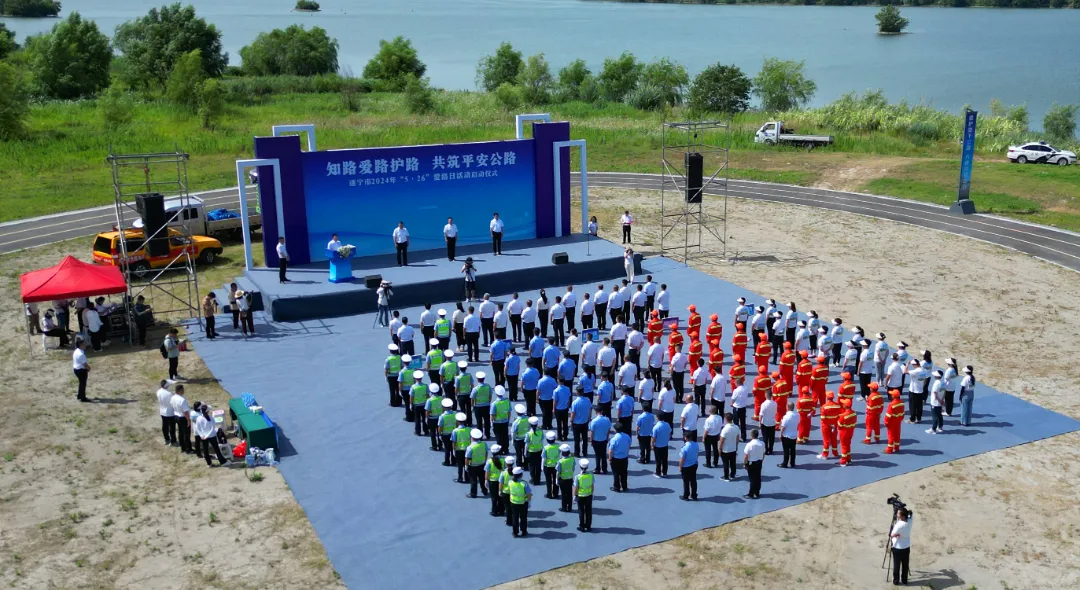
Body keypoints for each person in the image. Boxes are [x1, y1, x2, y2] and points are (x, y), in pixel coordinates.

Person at [193, 402, 229, 468]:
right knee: (216, 449)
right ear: (207, 411)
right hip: (211, 436)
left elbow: (197, 428)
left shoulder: (199, 418)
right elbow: (212, 428)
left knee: (205, 450)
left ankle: (209, 464)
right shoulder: (211, 418)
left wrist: (202, 435)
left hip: (204, 437)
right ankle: (222, 462)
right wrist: (206, 435)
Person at [890, 508, 912, 586]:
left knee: (897, 565)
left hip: (897, 548)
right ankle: (904, 580)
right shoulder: (910, 521)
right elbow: (910, 515)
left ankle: (896, 581)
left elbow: (892, 535)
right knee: (905, 565)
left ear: (903, 516)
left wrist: (896, 535)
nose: (897, 515)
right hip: (906, 547)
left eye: (898, 514)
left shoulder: (899, 525)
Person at [507, 467, 532, 537]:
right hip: (523, 503)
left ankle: (515, 533)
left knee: (515, 517)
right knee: (523, 518)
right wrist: (529, 502)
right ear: (521, 475)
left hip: (513, 502)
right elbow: (529, 494)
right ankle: (524, 531)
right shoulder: (524, 483)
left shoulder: (510, 482)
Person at [466, 429, 489, 498]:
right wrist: (484, 461)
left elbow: (467, 458)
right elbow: (486, 453)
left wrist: (466, 466)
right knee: (482, 479)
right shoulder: (484, 444)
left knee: (473, 480)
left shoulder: (470, 447)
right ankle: (485, 491)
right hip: (482, 464)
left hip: (473, 466)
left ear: (472, 437)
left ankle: (473, 494)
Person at [170, 385, 193, 454]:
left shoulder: (173, 397)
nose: (183, 391)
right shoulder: (182, 400)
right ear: (180, 390)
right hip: (183, 418)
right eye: (183, 390)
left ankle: (182, 447)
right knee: (186, 434)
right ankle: (188, 449)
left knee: (180, 433)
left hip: (176, 416)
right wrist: (188, 420)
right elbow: (185, 412)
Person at [608, 424, 631, 492]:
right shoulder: (627, 436)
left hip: (616, 459)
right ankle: (624, 486)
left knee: (616, 473)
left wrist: (610, 458)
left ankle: (616, 487)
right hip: (624, 457)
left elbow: (611, 450)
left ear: (615, 430)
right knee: (624, 472)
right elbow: (629, 445)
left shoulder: (614, 439)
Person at [743, 428, 765, 499]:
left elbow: (746, 456)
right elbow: (763, 453)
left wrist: (745, 463)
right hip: (759, 462)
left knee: (752, 479)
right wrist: (761, 460)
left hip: (751, 463)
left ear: (751, 435)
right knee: (758, 477)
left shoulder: (749, 444)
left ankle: (751, 494)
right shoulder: (762, 443)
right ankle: (757, 492)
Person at [588, 407, 612, 474]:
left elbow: (592, 432)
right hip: (604, 439)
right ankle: (604, 468)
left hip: (596, 440)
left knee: (597, 455)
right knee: (603, 454)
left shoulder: (594, 421)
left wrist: (591, 440)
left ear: (596, 412)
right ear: (602, 411)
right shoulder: (607, 420)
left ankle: (597, 469)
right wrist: (607, 438)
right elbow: (609, 430)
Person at [570, 390, 593, 457]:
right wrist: (589, 417)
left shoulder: (575, 402)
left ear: (577, 393)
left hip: (576, 424)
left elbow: (573, 413)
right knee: (585, 438)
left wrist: (571, 421)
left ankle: (577, 453)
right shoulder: (587, 400)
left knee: (577, 439)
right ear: (583, 392)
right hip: (585, 422)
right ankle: (585, 452)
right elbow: (590, 409)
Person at [573, 459, 594, 531]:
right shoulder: (591, 475)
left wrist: (575, 496)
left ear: (580, 467)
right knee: (588, 511)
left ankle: (582, 526)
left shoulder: (578, 477)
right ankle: (588, 525)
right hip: (589, 495)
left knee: (581, 511)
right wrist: (592, 493)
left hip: (580, 496)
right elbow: (592, 486)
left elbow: (576, 488)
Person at [485, 445, 506, 516]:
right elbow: (505, 470)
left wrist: (486, 480)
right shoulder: (503, 460)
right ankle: (501, 510)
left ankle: (494, 511)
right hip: (501, 481)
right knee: (501, 496)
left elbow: (487, 472)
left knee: (494, 497)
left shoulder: (489, 461)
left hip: (492, 481)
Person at [884, 389, 906, 454]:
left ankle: (889, 449)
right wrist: (900, 419)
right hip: (898, 421)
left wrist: (886, 422)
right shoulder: (902, 403)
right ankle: (896, 447)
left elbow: (888, 415)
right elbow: (902, 413)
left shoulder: (891, 404)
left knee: (890, 435)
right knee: (897, 434)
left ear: (893, 396)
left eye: (892, 394)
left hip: (892, 421)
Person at [679, 433, 699, 501]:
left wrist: (680, 467)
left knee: (686, 482)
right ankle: (694, 495)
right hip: (694, 465)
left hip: (686, 467)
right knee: (693, 480)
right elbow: (697, 454)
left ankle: (686, 496)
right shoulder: (696, 444)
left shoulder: (684, 447)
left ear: (685, 437)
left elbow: (682, 459)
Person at [155, 380, 176, 445]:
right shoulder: (170, 393)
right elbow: (173, 402)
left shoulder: (158, 392)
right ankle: (173, 440)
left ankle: (166, 439)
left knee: (165, 426)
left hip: (162, 411)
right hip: (170, 412)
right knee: (172, 427)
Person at [837, 399, 857, 466]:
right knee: (848, 445)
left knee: (844, 446)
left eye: (843, 404)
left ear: (845, 406)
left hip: (844, 432)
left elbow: (839, 425)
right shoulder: (854, 413)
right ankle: (848, 459)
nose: (842, 404)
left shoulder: (843, 416)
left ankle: (843, 462)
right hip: (850, 431)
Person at [441, 402, 461, 467]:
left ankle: (447, 461)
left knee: (447, 448)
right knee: (453, 448)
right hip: (454, 433)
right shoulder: (455, 414)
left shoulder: (442, 416)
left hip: (445, 434)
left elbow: (440, 427)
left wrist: (440, 433)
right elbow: (457, 424)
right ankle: (453, 461)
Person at [778, 402, 798, 468]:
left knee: (786, 450)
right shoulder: (797, 415)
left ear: (787, 407)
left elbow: (783, 427)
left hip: (786, 436)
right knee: (793, 450)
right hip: (794, 435)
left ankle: (785, 463)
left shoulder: (786, 417)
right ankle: (792, 463)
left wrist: (780, 434)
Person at [525, 420, 545, 485]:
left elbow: (527, 445)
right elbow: (542, 441)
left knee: (531, 466)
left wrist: (525, 452)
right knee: (538, 466)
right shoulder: (540, 432)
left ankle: (533, 480)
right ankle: (538, 480)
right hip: (539, 451)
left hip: (531, 452)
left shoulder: (529, 434)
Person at [556, 445, 575, 510]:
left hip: (562, 479)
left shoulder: (560, 461)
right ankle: (569, 507)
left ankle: (564, 507)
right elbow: (573, 469)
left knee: (563, 493)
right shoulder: (572, 459)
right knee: (569, 493)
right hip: (570, 478)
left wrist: (557, 480)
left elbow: (558, 472)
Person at [730, 376, 749, 441]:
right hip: (743, 408)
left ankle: (736, 437)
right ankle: (744, 437)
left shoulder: (736, 390)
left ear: (737, 383)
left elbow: (733, 399)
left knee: (736, 423)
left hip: (737, 408)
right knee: (743, 423)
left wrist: (732, 404)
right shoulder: (746, 388)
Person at [500, 456, 516, 524]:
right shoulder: (516, 472)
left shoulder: (503, 473)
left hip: (506, 492)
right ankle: (515, 520)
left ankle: (509, 521)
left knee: (507, 507)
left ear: (506, 464)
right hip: (514, 492)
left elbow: (501, 483)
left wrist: (500, 491)